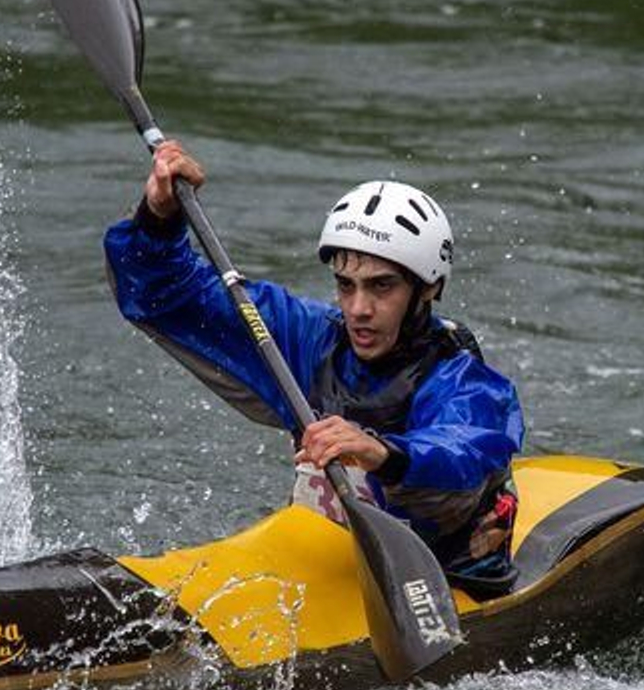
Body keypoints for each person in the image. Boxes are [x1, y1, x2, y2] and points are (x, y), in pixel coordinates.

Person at [104, 141, 525, 590]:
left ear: (428, 290)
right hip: (332, 567)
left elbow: (462, 447)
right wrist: (158, 217)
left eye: (381, 287)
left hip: (453, 574)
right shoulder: (308, 340)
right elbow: (163, 294)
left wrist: (380, 452)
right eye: (346, 285)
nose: (359, 308)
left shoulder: (459, 374)